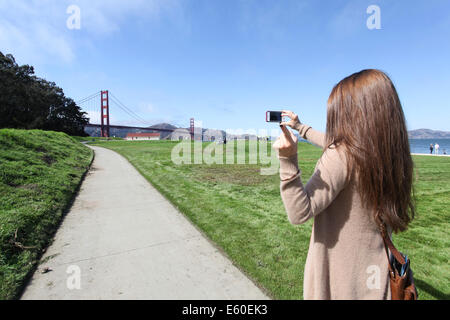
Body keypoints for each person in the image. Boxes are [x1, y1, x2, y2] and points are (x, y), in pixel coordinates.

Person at [272, 69, 415, 300]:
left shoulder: (341, 155)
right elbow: (337, 143)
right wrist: (300, 127)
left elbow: (299, 212)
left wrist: (287, 159)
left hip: (339, 283)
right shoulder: (392, 156)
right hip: (377, 281)